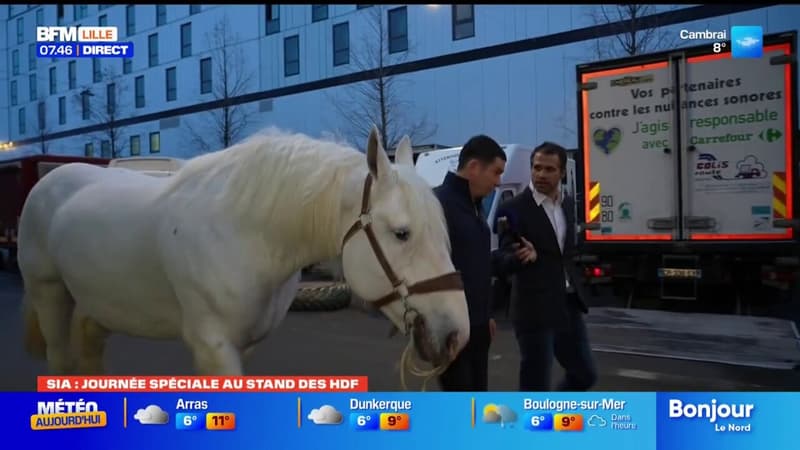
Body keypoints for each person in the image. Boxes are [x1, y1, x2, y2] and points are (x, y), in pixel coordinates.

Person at [495, 141, 598, 392]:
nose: (541, 174)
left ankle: (553, 413)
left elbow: (565, 252)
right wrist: (521, 255)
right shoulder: (513, 208)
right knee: (535, 384)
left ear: (562, 173)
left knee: (585, 375)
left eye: (549, 169)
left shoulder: (567, 204)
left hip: (568, 304)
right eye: (537, 167)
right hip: (534, 308)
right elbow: (505, 251)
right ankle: (534, 428)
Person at [432, 135, 533, 391]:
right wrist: (440, 331)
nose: (499, 181)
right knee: (461, 406)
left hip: (476, 327)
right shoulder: (436, 206)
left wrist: (514, 258)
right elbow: (428, 273)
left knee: (477, 398)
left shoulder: (473, 207)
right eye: (496, 172)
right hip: (451, 330)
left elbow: (475, 264)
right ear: (474, 167)